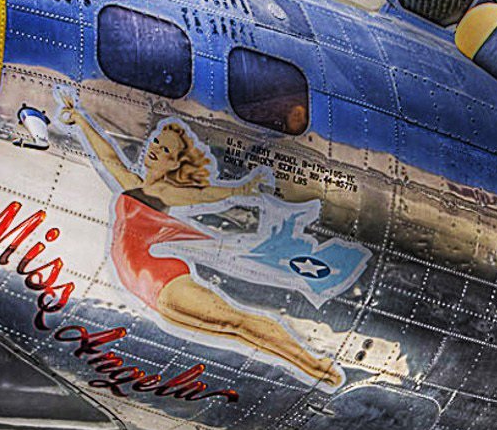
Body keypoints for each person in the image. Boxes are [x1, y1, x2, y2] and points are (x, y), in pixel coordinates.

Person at [59, 98, 343, 386]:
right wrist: (80, 120)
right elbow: (108, 155)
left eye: (165, 149)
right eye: (156, 142)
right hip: (146, 287)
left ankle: (312, 363)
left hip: (160, 278)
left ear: (174, 163)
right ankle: (308, 365)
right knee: (235, 330)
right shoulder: (132, 183)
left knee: (237, 322)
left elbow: (205, 194)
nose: (155, 148)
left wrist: (243, 189)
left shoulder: (166, 193)